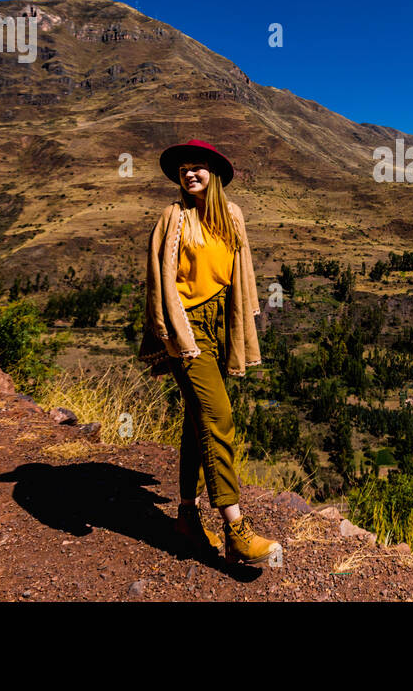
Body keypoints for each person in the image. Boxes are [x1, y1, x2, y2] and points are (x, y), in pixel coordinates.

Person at [139, 138, 281, 566]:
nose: (190, 174)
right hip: (188, 325)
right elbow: (156, 279)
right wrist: (174, 333)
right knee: (219, 417)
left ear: (214, 174)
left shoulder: (231, 216)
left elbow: (242, 274)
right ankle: (236, 528)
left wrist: (239, 323)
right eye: (184, 169)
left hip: (222, 322)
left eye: (198, 167)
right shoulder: (172, 217)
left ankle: (185, 514)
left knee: (196, 420)